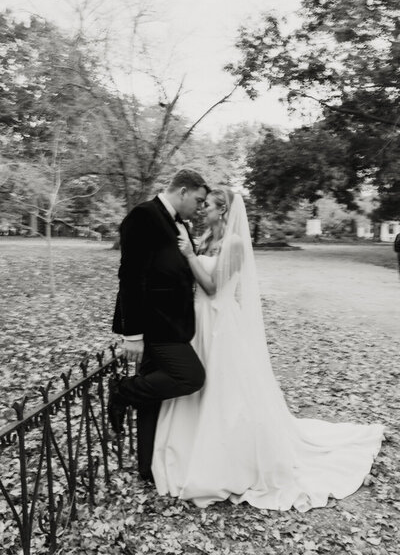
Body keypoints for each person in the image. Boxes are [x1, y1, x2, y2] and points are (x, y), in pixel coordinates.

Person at [151, 188, 385, 511]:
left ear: (223, 210)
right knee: (196, 382)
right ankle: (189, 446)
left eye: (209, 206)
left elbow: (213, 287)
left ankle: (226, 455)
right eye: (202, 205)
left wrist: (190, 256)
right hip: (198, 320)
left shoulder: (233, 244)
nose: (203, 209)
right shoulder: (205, 238)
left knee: (223, 388)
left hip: (219, 322)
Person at [109, 169, 208, 481]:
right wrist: (132, 333)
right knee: (191, 377)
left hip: (175, 324)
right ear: (183, 191)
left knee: (151, 397)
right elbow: (130, 276)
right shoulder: (143, 216)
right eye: (198, 200)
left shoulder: (179, 224)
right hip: (155, 325)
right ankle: (122, 391)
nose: (200, 207)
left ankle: (148, 467)